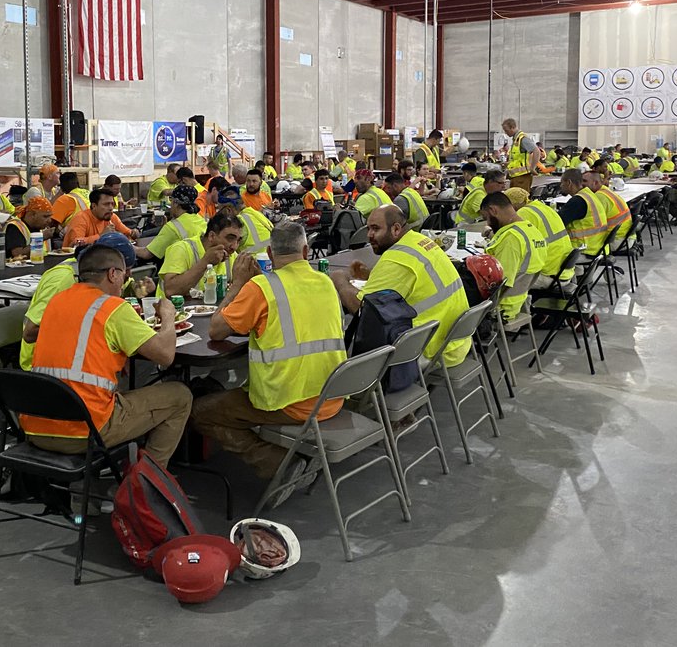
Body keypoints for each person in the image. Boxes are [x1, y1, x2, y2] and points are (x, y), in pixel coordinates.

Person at [194, 222, 347, 487]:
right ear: (306, 250)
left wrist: (238, 285)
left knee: (200, 412)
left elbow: (216, 330)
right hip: (330, 395)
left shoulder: (263, 288)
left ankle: (274, 462)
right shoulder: (325, 281)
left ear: (270, 253)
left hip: (289, 402)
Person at [22, 245, 191, 467]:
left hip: (36, 424)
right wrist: (168, 316)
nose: (124, 282)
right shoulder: (113, 307)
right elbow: (165, 355)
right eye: (124, 274)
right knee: (180, 396)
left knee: (123, 387)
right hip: (85, 430)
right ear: (113, 274)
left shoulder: (57, 301)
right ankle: (146, 482)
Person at [331, 205, 472, 367]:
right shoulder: (419, 241)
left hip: (434, 350)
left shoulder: (396, 260)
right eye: (368, 228)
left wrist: (339, 281)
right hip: (456, 340)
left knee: (342, 354)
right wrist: (370, 277)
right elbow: (410, 282)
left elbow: (361, 310)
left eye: (375, 229)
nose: (369, 235)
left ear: (396, 229)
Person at [20, 233, 149, 370]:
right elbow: (29, 332)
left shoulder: (100, 275)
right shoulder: (62, 280)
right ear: (111, 270)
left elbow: (119, 293)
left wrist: (137, 290)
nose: (129, 275)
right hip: (43, 364)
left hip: (77, 355)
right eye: (126, 271)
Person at [480, 191, 546, 320]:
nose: (488, 223)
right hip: (517, 303)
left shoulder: (511, 240)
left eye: (486, 218)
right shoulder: (532, 231)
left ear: (493, 210)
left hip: (500, 308)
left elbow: (499, 282)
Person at [158, 212, 242, 299]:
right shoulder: (181, 249)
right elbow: (171, 291)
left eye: (238, 241)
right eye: (230, 238)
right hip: (171, 310)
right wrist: (205, 262)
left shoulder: (232, 256)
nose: (234, 246)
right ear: (212, 236)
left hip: (213, 310)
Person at [506, 187, 573, 282]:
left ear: (513, 204)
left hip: (548, 273)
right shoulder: (543, 206)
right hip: (562, 270)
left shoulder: (524, 212)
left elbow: (511, 239)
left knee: (507, 278)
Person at [143, 184, 207, 261]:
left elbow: (146, 254)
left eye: (171, 200)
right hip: (202, 266)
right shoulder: (201, 220)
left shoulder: (172, 227)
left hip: (180, 270)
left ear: (176, 203)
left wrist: (129, 246)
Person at [63, 188, 138, 249]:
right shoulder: (81, 218)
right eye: (106, 204)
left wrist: (134, 233)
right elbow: (75, 243)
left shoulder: (111, 217)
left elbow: (128, 233)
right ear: (94, 206)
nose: (110, 208)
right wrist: (101, 236)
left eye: (112, 204)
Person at [556, 169, 607, 257]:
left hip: (584, 250)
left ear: (569, 182)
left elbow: (557, 223)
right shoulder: (589, 195)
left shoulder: (577, 201)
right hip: (597, 247)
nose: (561, 185)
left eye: (562, 182)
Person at [584, 169, 632, 244]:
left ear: (595, 183)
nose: (581, 184)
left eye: (585, 181)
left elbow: (594, 224)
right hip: (625, 236)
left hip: (618, 240)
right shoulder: (606, 191)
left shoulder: (599, 197)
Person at [501, 118, 541, 192]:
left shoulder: (523, 139)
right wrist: (509, 164)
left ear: (512, 127)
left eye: (506, 130)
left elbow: (537, 151)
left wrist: (532, 168)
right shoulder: (516, 140)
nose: (506, 133)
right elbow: (519, 159)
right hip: (516, 177)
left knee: (520, 200)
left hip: (522, 177)